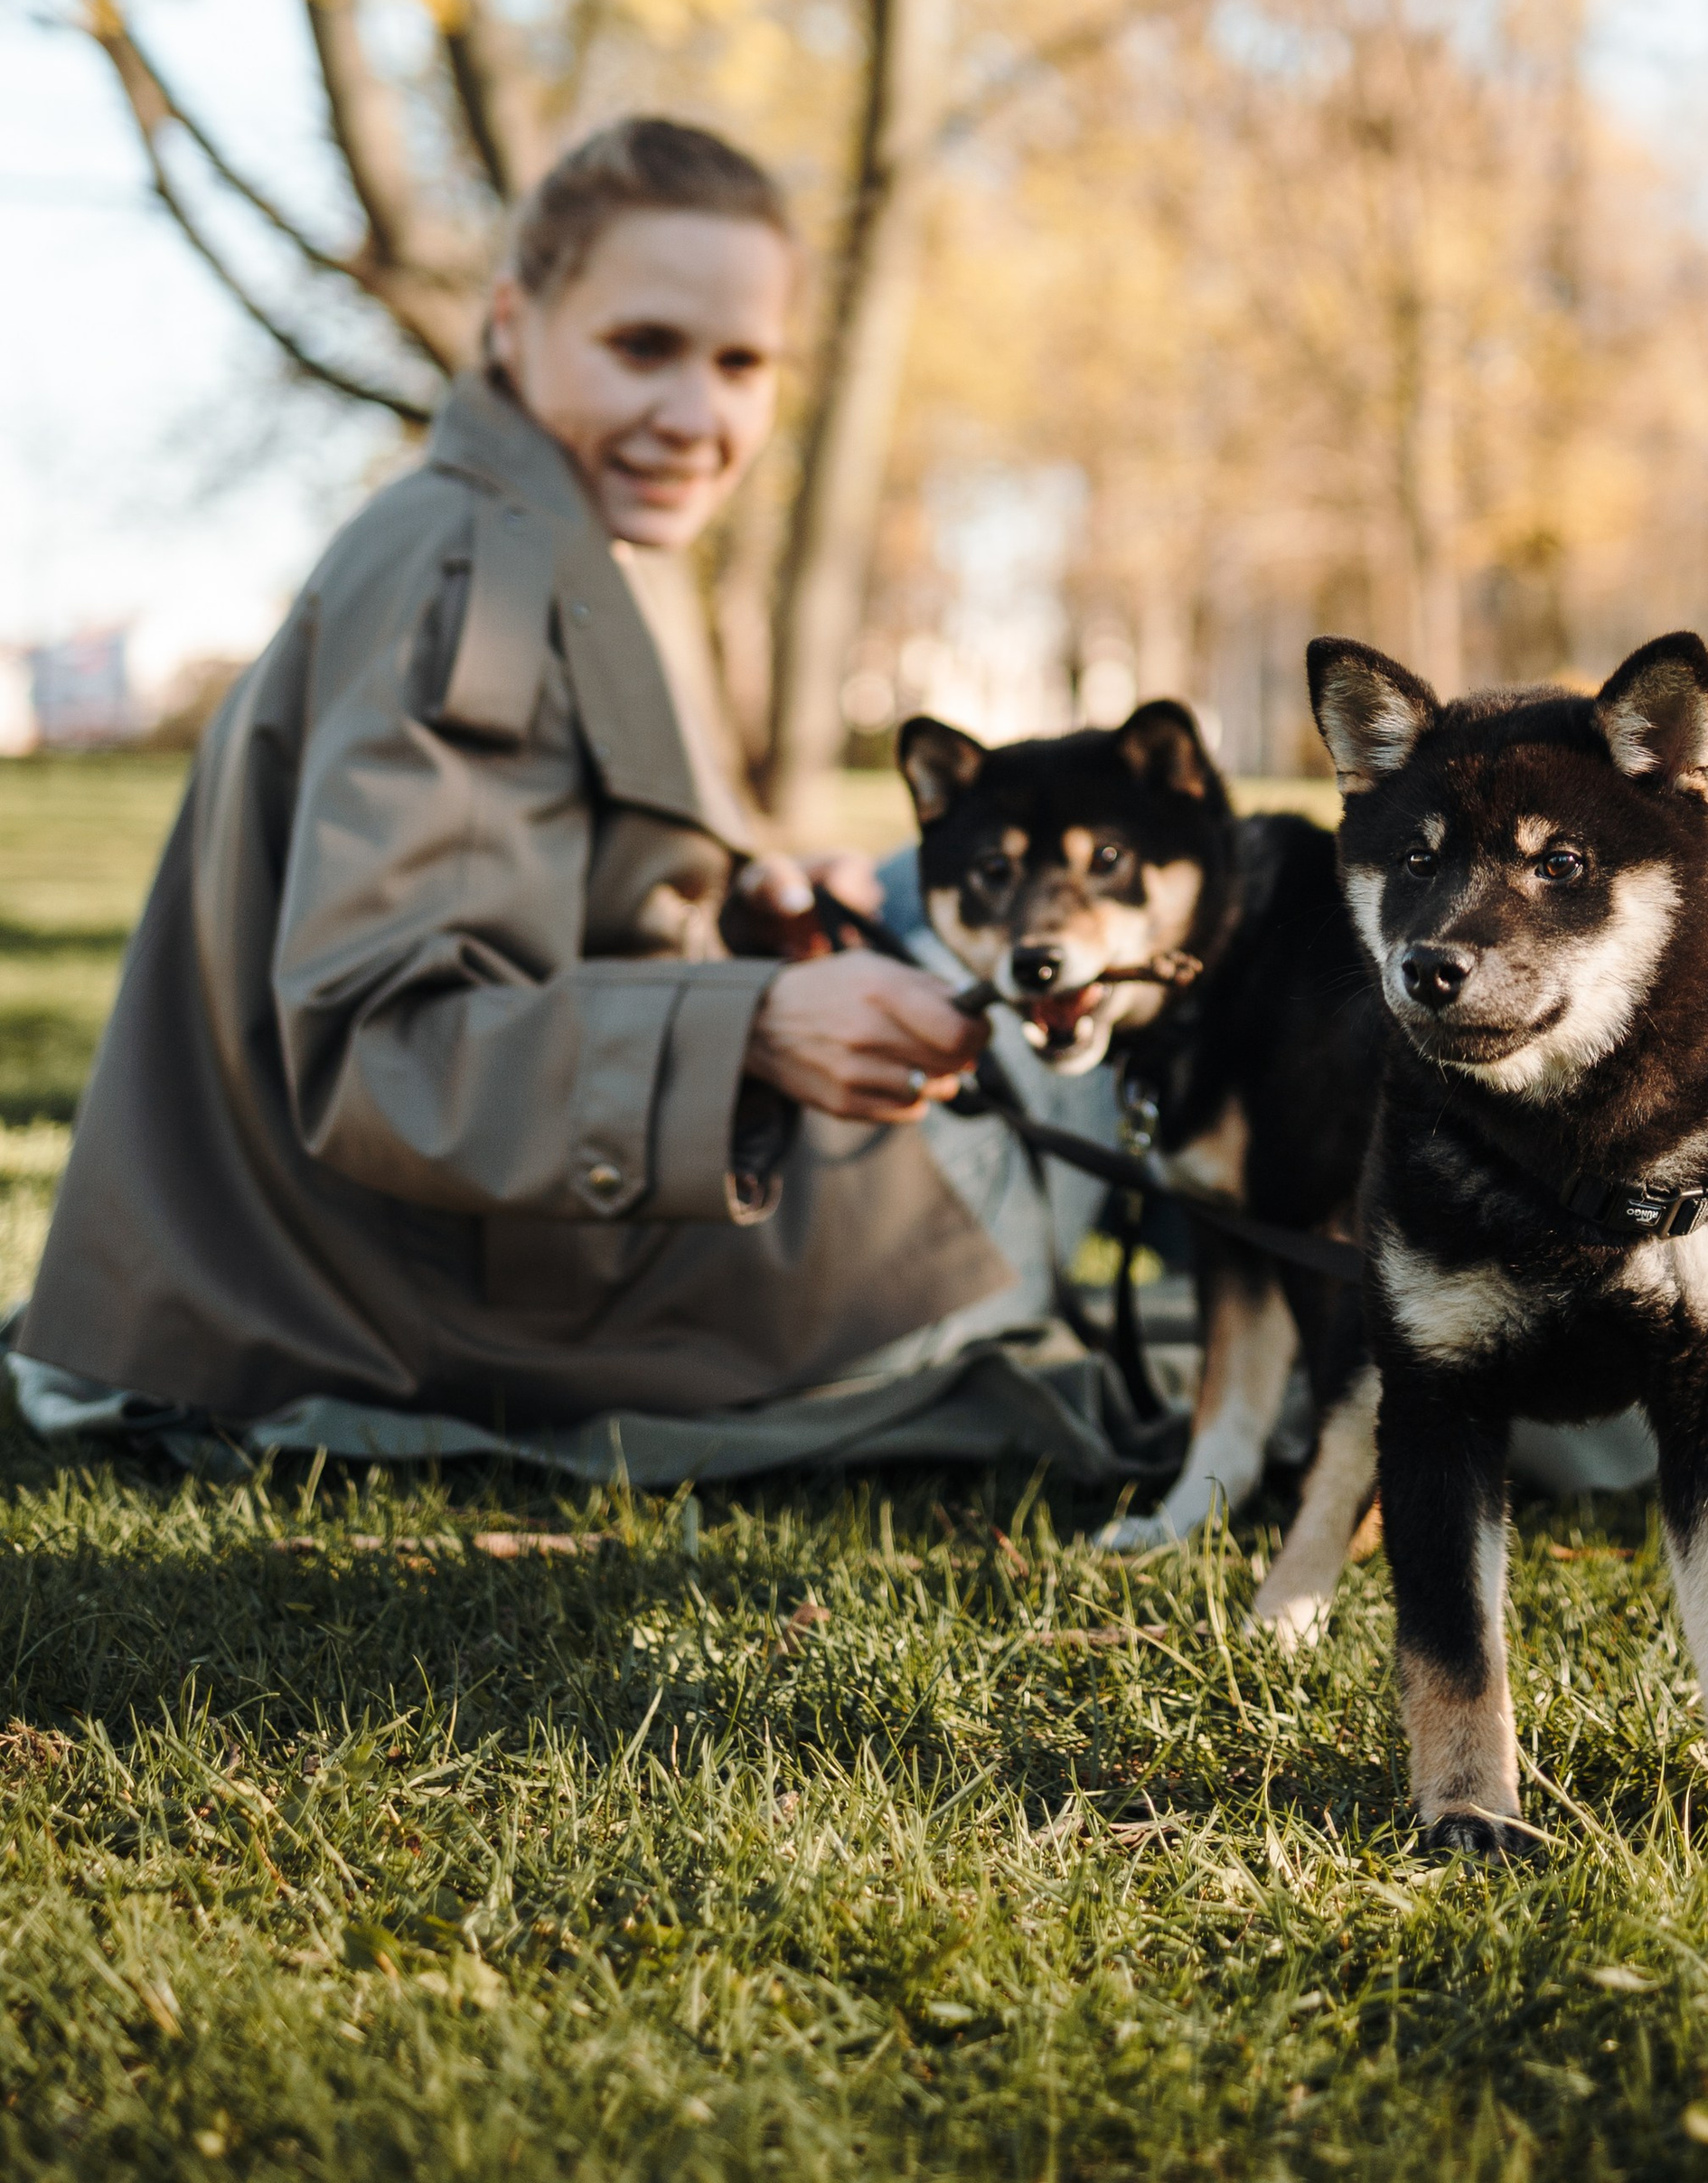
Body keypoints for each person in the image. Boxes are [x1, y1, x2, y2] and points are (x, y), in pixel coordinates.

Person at [6, 121, 1130, 1487]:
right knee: (1107, 1018)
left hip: (502, 1236)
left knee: (939, 898)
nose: (698, 418)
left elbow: (541, 892)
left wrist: (742, 910)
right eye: (643, 347)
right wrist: (758, 1025)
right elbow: (386, 1045)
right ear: (512, 323)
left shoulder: (552, 528)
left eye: (741, 363)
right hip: (431, 1304)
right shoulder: (477, 586)